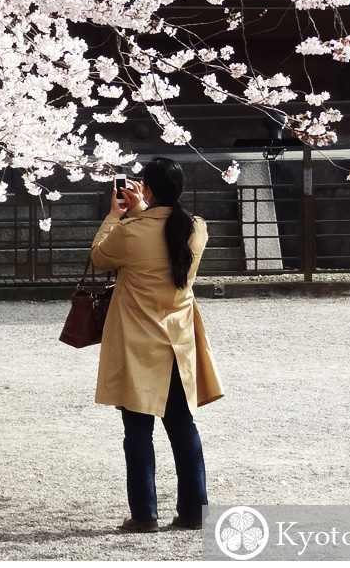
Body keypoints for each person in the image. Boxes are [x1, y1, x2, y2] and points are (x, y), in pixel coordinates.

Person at [90, 157, 224, 533]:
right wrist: (142, 208)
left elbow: (100, 257)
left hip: (137, 341)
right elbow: (166, 228)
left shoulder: (130, 232)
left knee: (137, 431)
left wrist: (118, 214)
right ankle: (195, 509)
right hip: (177, 339)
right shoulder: (196, 228)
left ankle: (145, 513)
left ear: (146, 189)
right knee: (183, 427)